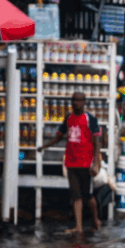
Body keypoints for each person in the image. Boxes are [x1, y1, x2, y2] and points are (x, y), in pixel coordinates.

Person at [38, 91, 102, 234]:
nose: (76, 103)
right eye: (74, 100)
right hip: (71, 162)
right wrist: (44, 146)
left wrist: (96, 162)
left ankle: (95, 219)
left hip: (86, 162)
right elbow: (59, 136)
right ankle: (78, 226)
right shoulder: (68, 118)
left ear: (84, 102)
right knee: (76, 195)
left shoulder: (90, 119)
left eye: (79, 100)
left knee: (88, 196)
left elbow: (97, 142)